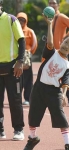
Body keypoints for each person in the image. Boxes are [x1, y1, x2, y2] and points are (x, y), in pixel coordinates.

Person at [23, 13, 69, 150]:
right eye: (66, 42)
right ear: (62, 41)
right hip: (39, 89)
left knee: (61, 117)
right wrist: (49, 24)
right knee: (33, 115)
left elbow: (66, 82)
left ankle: (68, 143)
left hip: (54, 92)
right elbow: (49, 42)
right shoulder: (51, 52)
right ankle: (32, 138)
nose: (67, 46)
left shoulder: (67, 65)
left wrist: (64, 94)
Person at [0, 0, 25, 140]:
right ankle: (0, 130)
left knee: (15, 100)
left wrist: (20, 61)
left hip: (12, 66)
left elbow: (21, 41)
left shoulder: (11, 19)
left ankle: (18, 130)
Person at [48, 0, 69, 107]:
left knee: (66, 74)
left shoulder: (60, 16)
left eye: (54, 3)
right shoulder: (50, 17)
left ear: (58, 5)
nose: (52, 5)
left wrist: (66, 38)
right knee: (52, 73)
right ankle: (53, 97)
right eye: (50, 3)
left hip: (61, 50)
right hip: (52, 50)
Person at [16, 12, 38, 106]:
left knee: (28, 79)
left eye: (23, 20)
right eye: (19, 19)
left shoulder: (30, 31)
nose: (21, 21)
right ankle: (17, 98)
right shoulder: (14, 30)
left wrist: (29, 53)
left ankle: (27, 98)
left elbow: (34, 44)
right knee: (17, 79)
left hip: (27, 58)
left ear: (26, 21)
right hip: (16, 58)